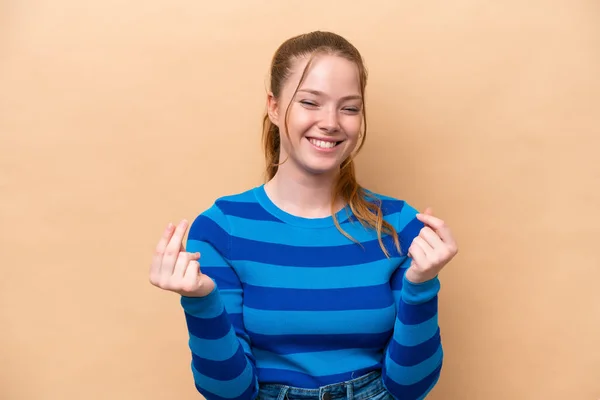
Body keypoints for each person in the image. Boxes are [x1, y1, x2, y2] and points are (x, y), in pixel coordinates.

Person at [149, 31, 458, 400]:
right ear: (275, 107)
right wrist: (200, 301)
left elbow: (410, 388)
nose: (331, 122)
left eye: (349, 107)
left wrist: (422, 287)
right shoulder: (221, 229)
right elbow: (230, 394)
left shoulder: (400, 226)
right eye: (310, 102)